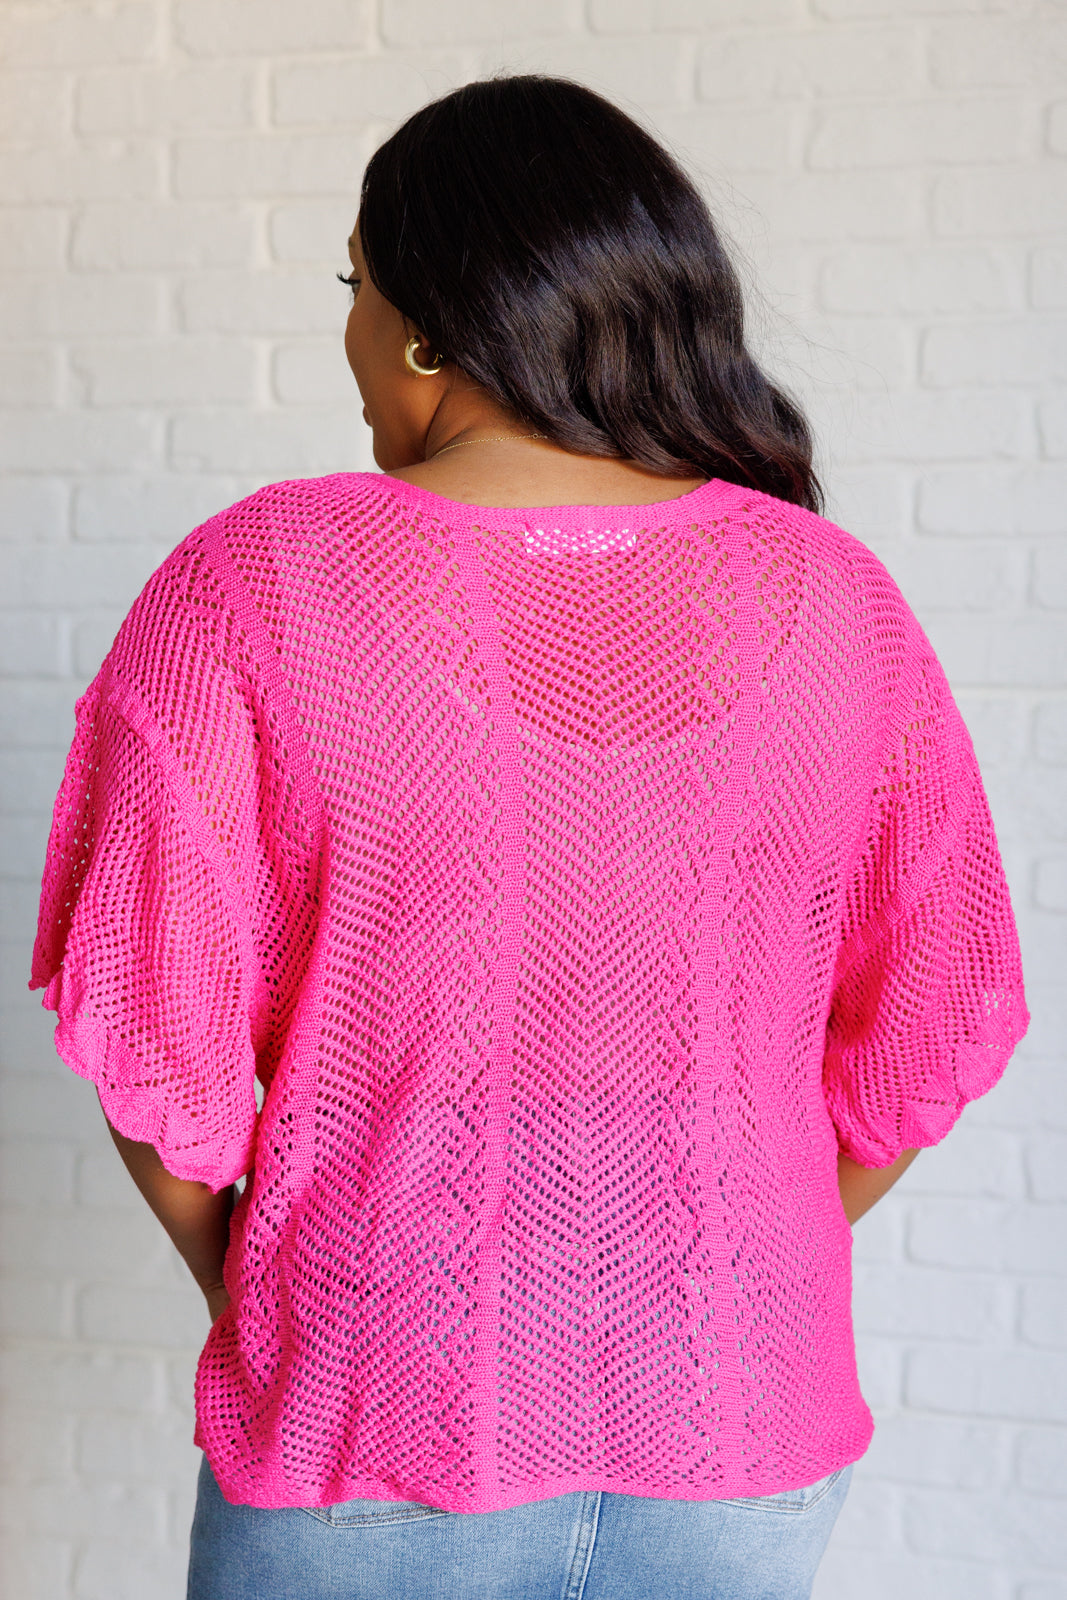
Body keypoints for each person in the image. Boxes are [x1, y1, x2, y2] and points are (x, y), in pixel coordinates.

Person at [29, 74, 1029, 1600]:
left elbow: (152, 1038)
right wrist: (734, 1264)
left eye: (355, 289)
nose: (351, 332)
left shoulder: (253, 585)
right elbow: (930, 1025)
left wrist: (276, 1287)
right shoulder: (841, 603)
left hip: (368, 1416)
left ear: (429, 327)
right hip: (743, 1430)